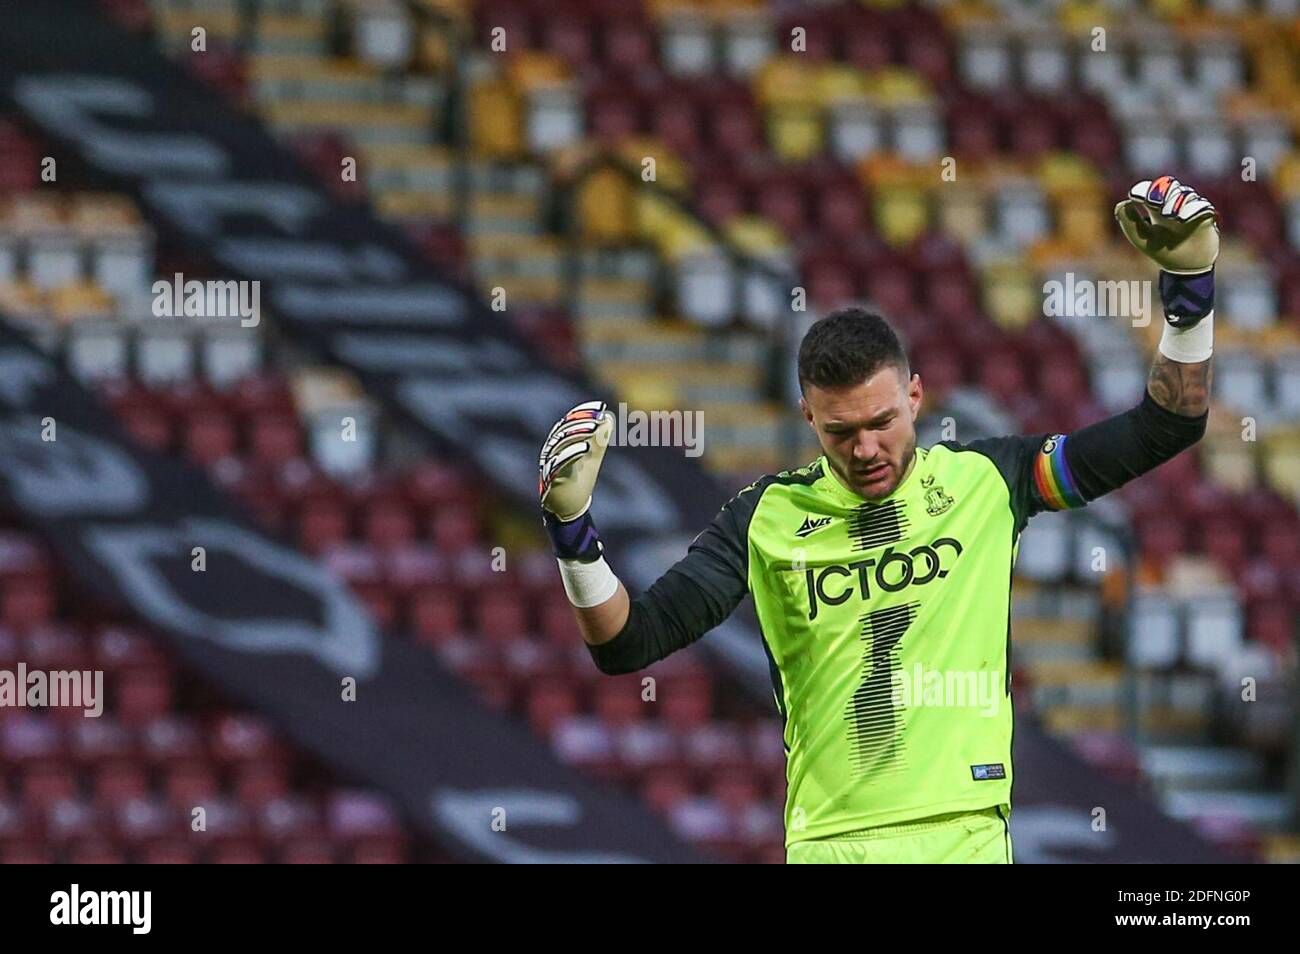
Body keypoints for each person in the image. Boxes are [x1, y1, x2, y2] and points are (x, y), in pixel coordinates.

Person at [535, 176, 1219, 863]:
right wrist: (572, 533)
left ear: (915, 396)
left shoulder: (987, 480)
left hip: (967, 838)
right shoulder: (764, 520)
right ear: (808, 418)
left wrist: (1189, 295)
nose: (865, 450)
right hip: (835, 845)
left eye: (882, 422)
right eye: (840, 432)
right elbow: (627, 645)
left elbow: (1168, 424)